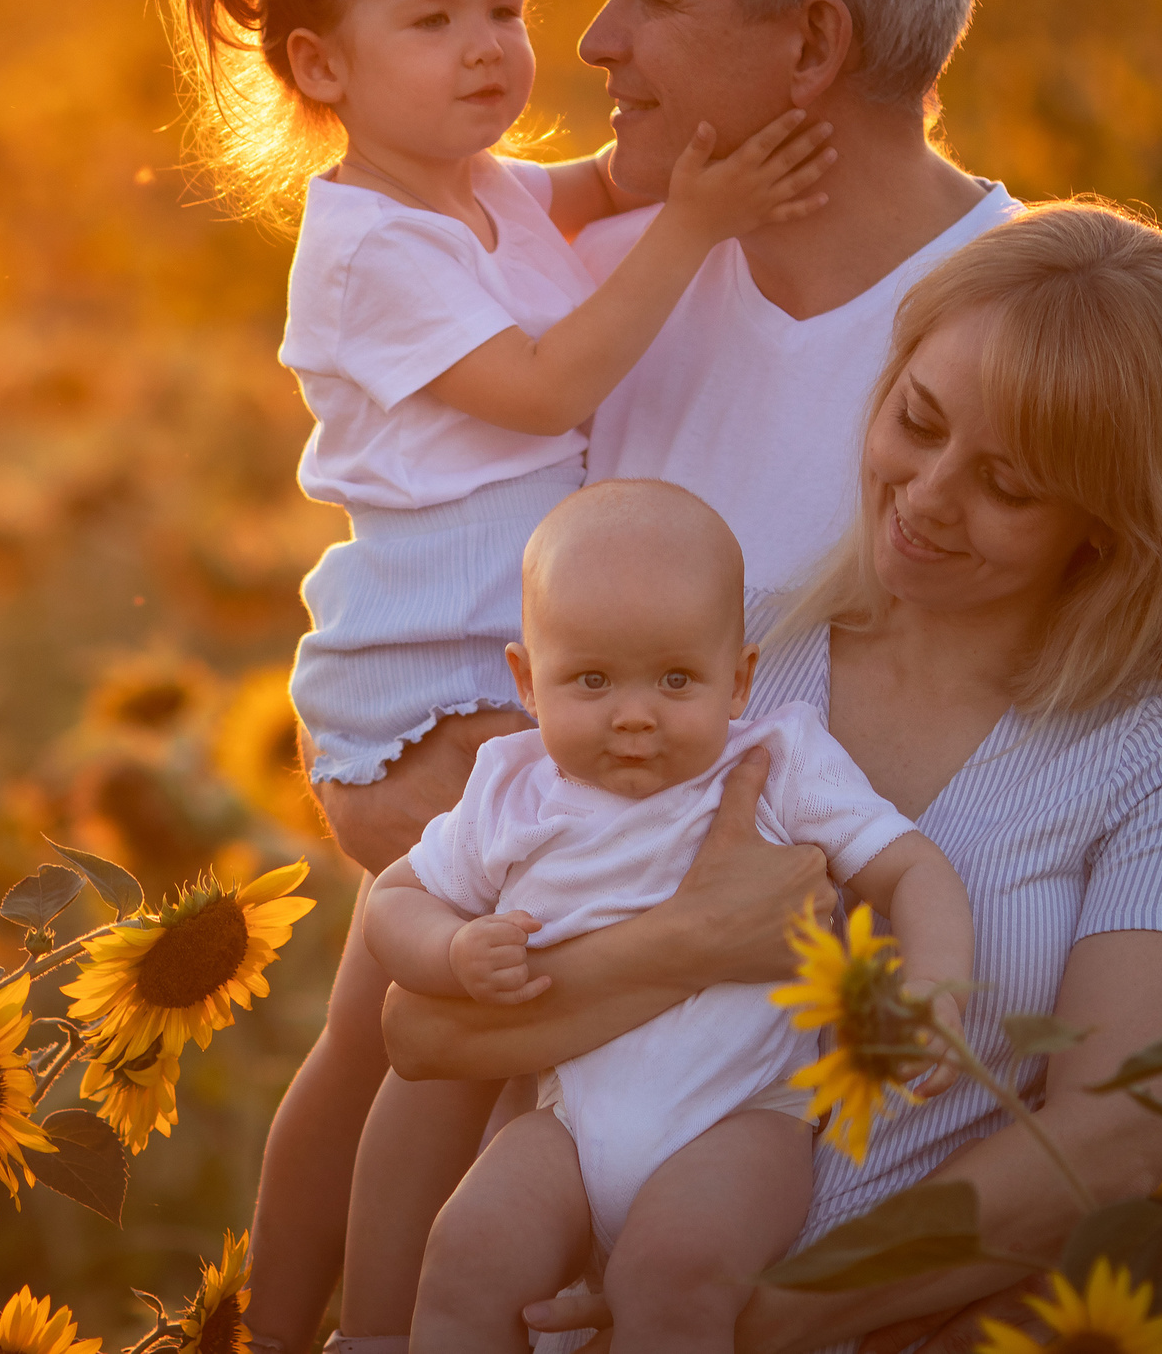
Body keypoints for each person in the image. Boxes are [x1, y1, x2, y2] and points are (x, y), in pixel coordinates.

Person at [256, 0, 1032, 1354]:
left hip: (754, 1143)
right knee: (386, 1056)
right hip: (462, 748)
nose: (583, 43)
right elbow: (531, 397)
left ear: (810, 50)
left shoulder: (1027, 343)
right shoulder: (556, 263)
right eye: (448, 15)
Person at [135, 0, 834, 1350]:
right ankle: (374, 1326)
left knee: (367, 1048)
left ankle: (288, 1319)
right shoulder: (367, 245)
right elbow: (543, 381)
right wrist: (700, 223)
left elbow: (603, 177)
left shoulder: (482, 194)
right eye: (432, 20)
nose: (490, 50)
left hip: (477, 675)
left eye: (505, 8)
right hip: (423, 703)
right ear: (319, 66)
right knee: (439, 1048)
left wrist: (738, 127)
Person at [386, 202, 1162, 1353]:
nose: (925, 495)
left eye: (1007, 486)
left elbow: (1113, 1138)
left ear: (1115, 527)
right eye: (917, 420)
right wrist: (690, 947)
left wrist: (751, 1314)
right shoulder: (720, 660)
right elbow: (430, 1035)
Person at [361, 481, 972, 1353]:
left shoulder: (776, 758)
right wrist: (451, 948)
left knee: (671, 1279)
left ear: (740, 678)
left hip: (746, 1116)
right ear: (528, 680)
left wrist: (935, 990)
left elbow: (913, 866)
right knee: (466, 1250)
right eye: (593, 679)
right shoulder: (509, 788)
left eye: (676, 678)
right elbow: (394, 897)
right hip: (570, 1125)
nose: (635, 714)